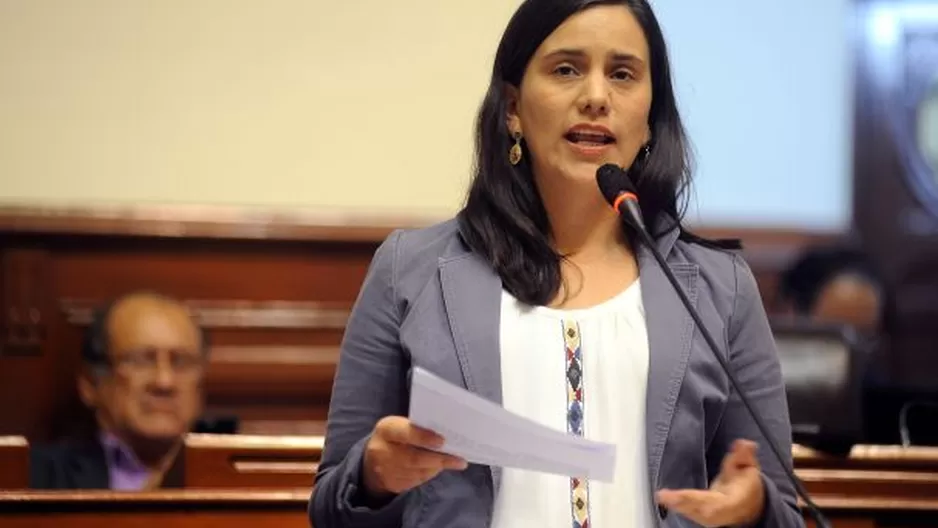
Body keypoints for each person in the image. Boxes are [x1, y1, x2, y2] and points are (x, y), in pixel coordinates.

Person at [309, 1, 803, 527]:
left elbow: (783, 510)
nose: (595, 96)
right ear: (512, 108)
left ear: (651, 114)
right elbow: (330, 509)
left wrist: (752, 508)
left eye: (622, 74)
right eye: (566, 69)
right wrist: (374, 475)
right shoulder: (410, 270)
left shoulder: (718, 287)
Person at [30, 291, 208, 490]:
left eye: (181, 362)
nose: (164, 382)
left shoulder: (238, 481)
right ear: (90, 384)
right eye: (142, 361)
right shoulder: (34, 477)